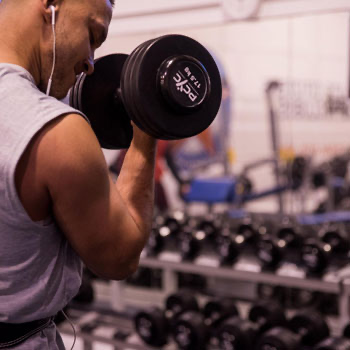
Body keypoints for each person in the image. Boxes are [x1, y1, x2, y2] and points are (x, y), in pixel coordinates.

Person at [0, 0, 157, 348]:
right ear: (50, 5)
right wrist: (146, 135)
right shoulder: (56, 132)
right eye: (93, 34)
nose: (90, 63)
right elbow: (120, 257)